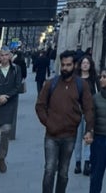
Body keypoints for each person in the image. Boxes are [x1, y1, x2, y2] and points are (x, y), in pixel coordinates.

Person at [36, 50, 94, 193]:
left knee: (63, 171)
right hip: (52, 135)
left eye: (68, 65)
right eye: (63, 65)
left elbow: (89, 108)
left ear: (74, 65)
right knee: (49, 169)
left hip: (69, 135)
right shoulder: (51, 84)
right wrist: (48, 123)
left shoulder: (81, 85)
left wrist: (89, 130)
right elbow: (40, 105)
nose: (65, 68)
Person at [0, 45, 21, 174]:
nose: (4, 57)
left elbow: (18, 86)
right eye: (2, 55)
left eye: (7, 55)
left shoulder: (16, 69)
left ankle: (1, 158)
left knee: (6, 132)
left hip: (9, 104)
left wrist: (7, 96)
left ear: (10, 56)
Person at [73, 54, 97, 176]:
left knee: (88, 137)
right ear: (80, 65)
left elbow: (97, 95)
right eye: (83, 63)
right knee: (77, 139)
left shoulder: (94, 80)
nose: (85, 65)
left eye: (87, 63)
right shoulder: (75, 79)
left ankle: (87, 162)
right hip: (77, 113)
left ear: (90, 65)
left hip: (89, 112)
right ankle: (77, 162)